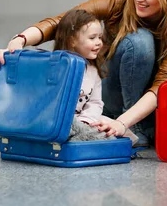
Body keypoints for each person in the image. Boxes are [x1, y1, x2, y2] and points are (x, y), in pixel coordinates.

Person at [0, 0, 167, 147]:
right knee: (140, 41)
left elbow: (162, 86)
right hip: (107, 94)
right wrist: (20, 39)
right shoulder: (121, 0)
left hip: (146, 107)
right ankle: (127, 123)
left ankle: (134, 125)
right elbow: (67, 21)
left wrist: (123, 122)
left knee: (151, 52)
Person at [52, 9, 136, 144]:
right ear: (72, 40)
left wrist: (87, 120)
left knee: (116, 131)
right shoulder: (57, 67)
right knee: (66, 130)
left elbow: (95, 102)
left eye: (99, 37)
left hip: (84, 119)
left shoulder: (93, 70)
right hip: (59, 120)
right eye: (92, 38)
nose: (98, 42)